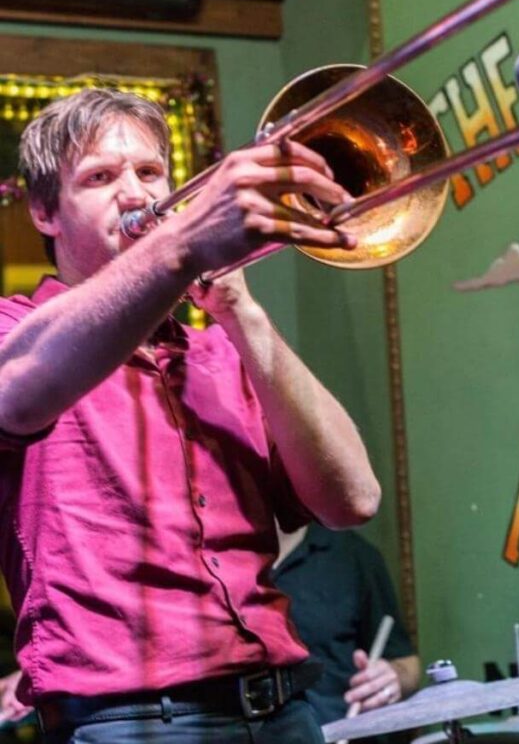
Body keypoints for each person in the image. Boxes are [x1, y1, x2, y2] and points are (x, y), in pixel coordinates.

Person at [0, 88, 382, 743]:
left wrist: (243, 314)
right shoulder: (20, 331)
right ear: (44, 211)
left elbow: (353, 499)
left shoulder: (219, 354)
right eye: (100, 177)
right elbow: (20, 389)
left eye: (149, 173)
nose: (135, 194)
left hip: (286, 708)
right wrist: (181, 248)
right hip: (133, 720)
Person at [272, 524, 420, 728]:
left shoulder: (354, 554)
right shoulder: (218, 559)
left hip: (343, 731)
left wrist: (391, 678)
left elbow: (407, 664)